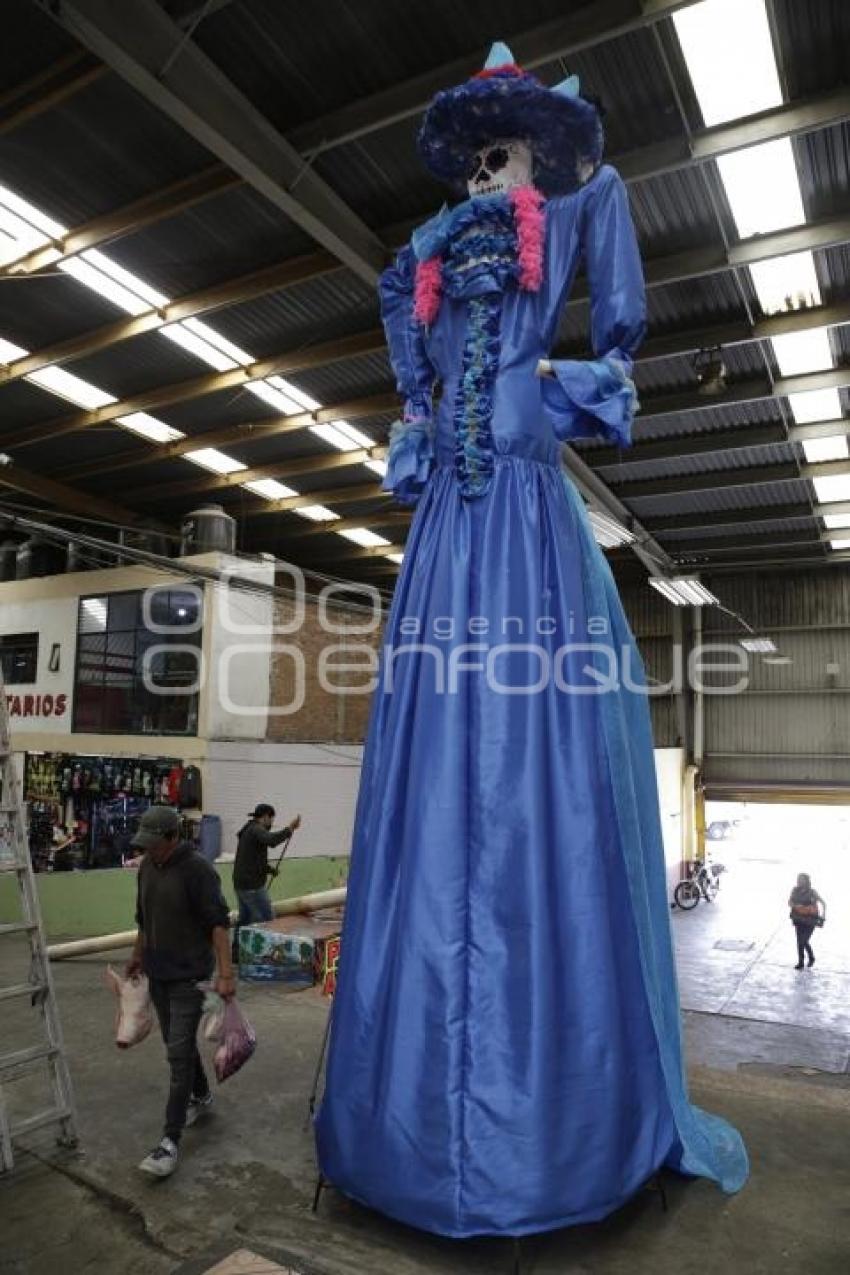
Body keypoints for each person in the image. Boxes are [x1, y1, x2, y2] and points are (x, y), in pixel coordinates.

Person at [315, 42, 747, 1239]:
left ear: (535, 150)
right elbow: (413, 376)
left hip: (520, 522)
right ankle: (412, 1122)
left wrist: (549, 383)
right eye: (477, 154)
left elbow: (613, 342)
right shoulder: (423, 261)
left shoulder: (576, 209)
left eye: (506, 151)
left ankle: (546, 1123)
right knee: (430, 777)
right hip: (450, 541)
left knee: (538, 774)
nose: (488, 170)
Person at [125, 805, 234, 1178]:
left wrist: (226, 975)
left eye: (155, 844)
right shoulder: (146, 868)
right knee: (179, 1045)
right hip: (159, 973)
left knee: (176, 1055)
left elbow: (218, 925)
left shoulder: (198, 870)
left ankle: (168, 1142)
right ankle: (201, 1095)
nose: (148, 850)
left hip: (190, 977)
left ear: (174, 837)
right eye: (145, 844)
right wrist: (138, 955)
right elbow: (144, 919)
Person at [232, 804, 302, 931]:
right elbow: (272, 840)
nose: (271, 823)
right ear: (265, 817)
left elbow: (251, 859)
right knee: (266, 920)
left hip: (241, 884)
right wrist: (290, 829)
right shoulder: (256, 830)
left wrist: (269, 870)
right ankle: (265, 950)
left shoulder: (249, 830)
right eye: (271, 819)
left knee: (245, 920)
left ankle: (237, 947)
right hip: (252, 886)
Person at [789, 872, 826, 970]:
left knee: (803, 940)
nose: (799, 881)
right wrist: (795, 906)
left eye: (801, 879)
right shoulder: (794, 890)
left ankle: (811, 957)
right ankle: (801, 962)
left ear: (806, 881)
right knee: (800, 941)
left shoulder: (812, 892)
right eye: (798, 879)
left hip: (810, 920)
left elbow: (823, 903)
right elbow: (790, 901)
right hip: (798, 919)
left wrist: (823, 914)